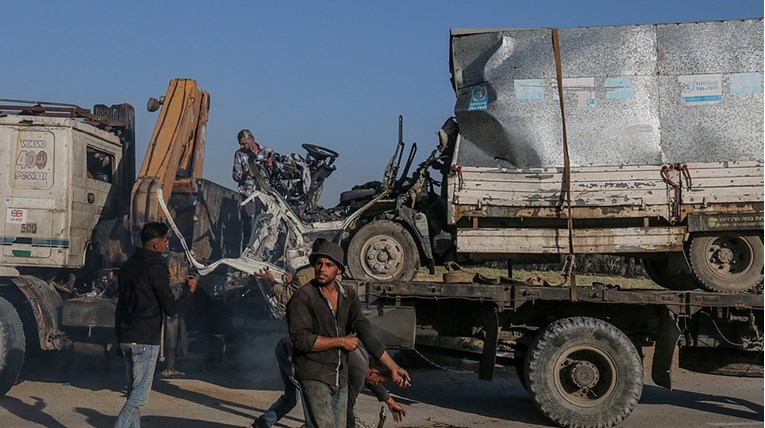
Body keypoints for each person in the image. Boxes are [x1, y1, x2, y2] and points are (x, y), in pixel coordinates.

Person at [286, 240, 411, 427]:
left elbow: (365, 330)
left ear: (339, 271)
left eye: (329, 265)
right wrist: (341, 342)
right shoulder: (303, 297)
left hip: (339, 377)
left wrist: (392, 366)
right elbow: (300, 340)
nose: (322, 269)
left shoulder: (348, 296)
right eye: (319, 263)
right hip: (314, 373)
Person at [114, 222, 198, 428]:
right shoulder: (156, 268)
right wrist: (189, 292)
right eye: (165, 240)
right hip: (145, 338)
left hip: (126, 335)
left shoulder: (127, 265)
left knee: (133, 394)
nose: (167, 243)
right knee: (139, 397)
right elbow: (170, 308)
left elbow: (122, 302)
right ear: (155, 245)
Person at [232, 129, 273, 249]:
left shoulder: (267, 151)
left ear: (252, 140)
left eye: (244, 143)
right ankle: (247, 249)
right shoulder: (239, 154)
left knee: (266, 225)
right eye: (240, 144)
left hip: (265, 195)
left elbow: (277, 170)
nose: (242, 146)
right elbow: (235, 175)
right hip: (247, 195)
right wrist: (246, 174)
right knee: (248, 225)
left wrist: (271, 165)